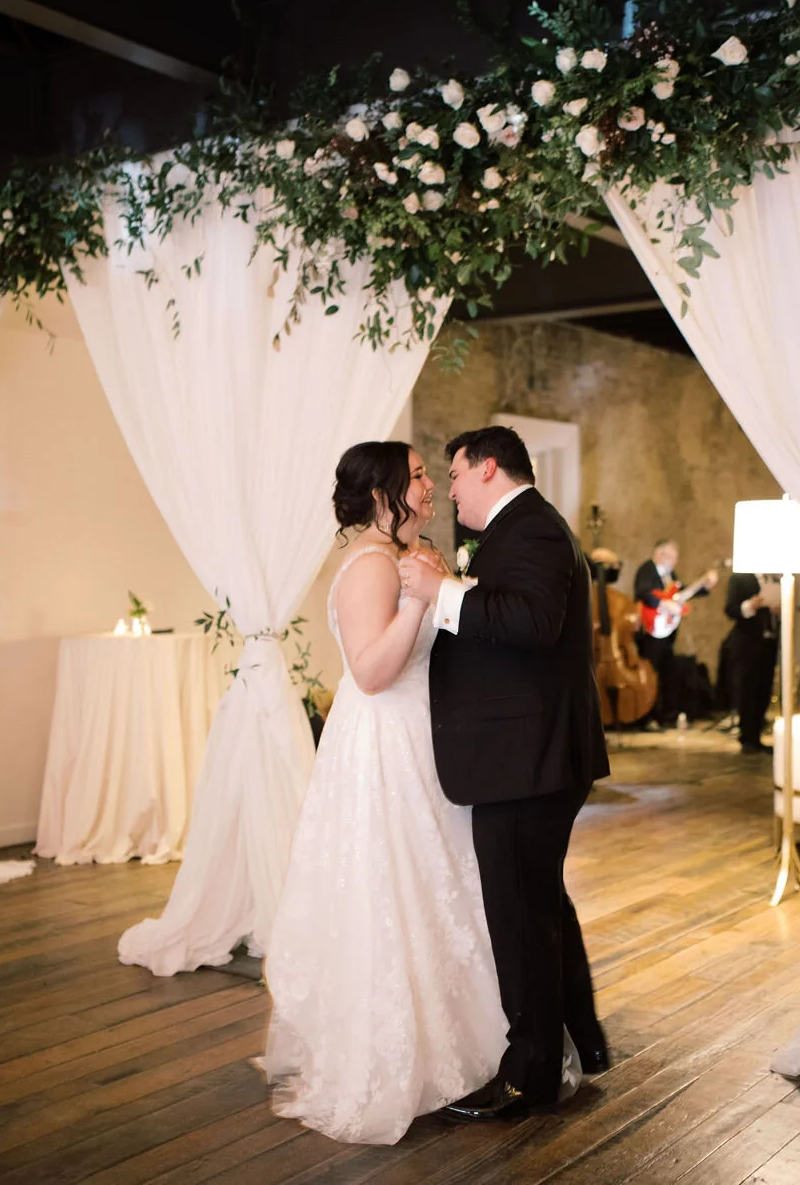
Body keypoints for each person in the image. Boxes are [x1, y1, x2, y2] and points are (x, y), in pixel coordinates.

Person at [263, 441, 509, 1145]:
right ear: (382, 492)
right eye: (420, 473)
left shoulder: (409, 553)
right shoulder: (373, 565)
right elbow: (370, 671)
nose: (431, 483)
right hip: (384, 742)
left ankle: (457, 1046)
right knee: (392, 890)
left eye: (433, 472)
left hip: (418, 735)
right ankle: (398, 1055)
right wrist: (415, 597)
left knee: (436, 891)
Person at [400, 425, 611, 1122]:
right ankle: (578, 1039)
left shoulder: (534, 531)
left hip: (529, 760)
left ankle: (531, 1073)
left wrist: (442, 591)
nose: (450, 488)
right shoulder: (520, 529)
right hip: (528, 754)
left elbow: (532, 619)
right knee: (540, 905)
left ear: (488, 468)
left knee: (520, 914)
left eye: (455, 474)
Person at [634, 540, 717, 726]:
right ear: (659, 554)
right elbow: (643, 592)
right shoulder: (647, 569)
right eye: (671, 556)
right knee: (650, 673)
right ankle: (646, 716)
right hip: (650, 630)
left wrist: (704, 588)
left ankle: (663, 715)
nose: (674, 561)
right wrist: (663, 605)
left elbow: (680, 594)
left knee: (666, 673)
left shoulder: (670, 576)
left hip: (666, 632)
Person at [724, 571, 780, 754]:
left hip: (769, 641)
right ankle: (747, 737)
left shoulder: (774, 578)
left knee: (764, 688)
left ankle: (756, 736)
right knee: (747, 690)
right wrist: (750, 605)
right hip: (747, 643)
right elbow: (730, 609)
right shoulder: (741, 578)